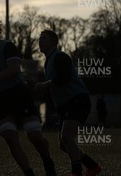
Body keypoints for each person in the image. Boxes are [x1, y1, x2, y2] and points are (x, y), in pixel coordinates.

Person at [0, 17, 57, 176]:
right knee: (9, 136)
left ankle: (47, 160)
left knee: (34, 135)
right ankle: (28, 173)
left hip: (18, 95)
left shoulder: (6, 46)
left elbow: (14, 69)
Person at [35, 29, 101, 176]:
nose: (40, 41)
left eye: (44, 38)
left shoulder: (60, 56)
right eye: (39, 38)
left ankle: (76, 172)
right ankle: (93, 166)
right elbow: (55, 86)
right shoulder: (48, 62)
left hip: (77, 100)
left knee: (66, 137)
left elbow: (63, 78)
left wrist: (44, 86)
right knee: (64, 145)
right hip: (67, 105)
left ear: (53, 42)